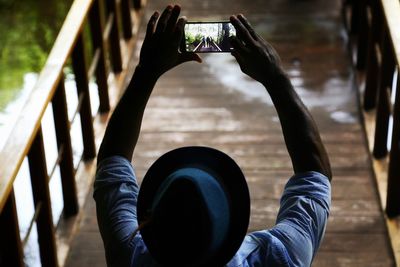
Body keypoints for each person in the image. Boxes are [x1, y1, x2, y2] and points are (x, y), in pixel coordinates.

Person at [94, 4, 332, 267]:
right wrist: (275, 77)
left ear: (149, 220)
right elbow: (314, 175)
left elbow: (111, 162)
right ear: (231, 226)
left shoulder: (129, 255)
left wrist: (146, 71)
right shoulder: (278, 258)